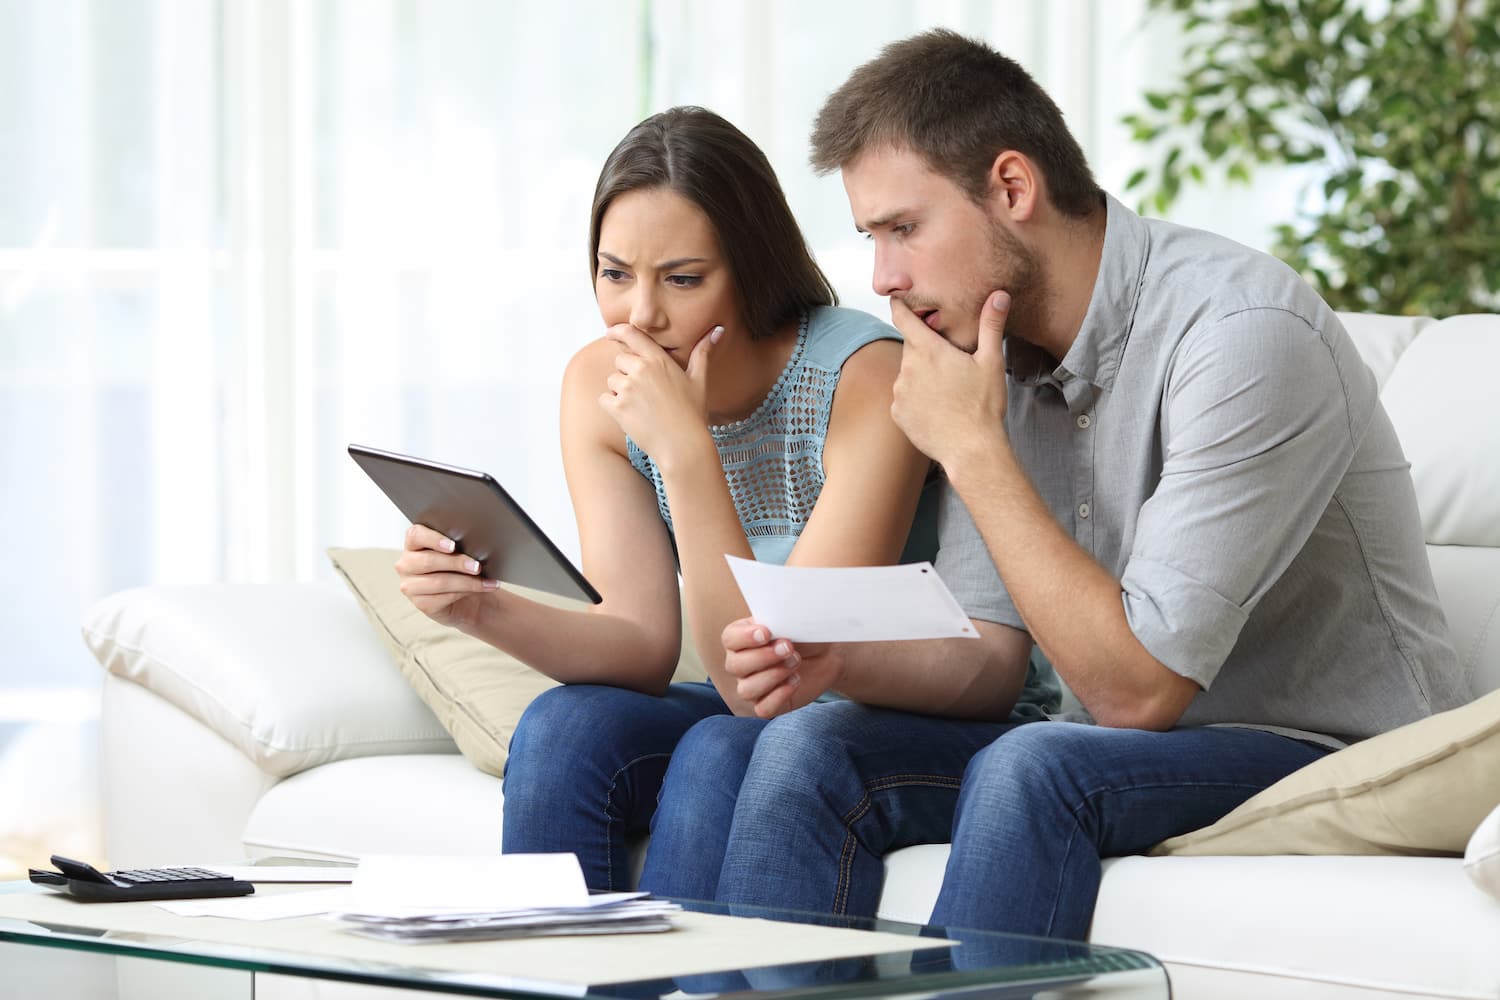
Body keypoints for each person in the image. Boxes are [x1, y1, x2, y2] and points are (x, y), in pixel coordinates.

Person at [642, 30, 1469, 938]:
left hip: (1325, 752)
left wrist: (973, 449)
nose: (883, 279)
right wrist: (839, 662)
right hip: (1118, 745)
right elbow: (991, 657)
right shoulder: (991, 352)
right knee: (810, 744)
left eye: (904, 229)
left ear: (1012, 187)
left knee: (1035, 767)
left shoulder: (1244, 335)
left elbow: (1137, 695)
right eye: (872, 238)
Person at [395, 105, 944, 892]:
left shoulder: (866, 378)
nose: (640, 317)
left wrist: (686, 452)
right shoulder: (600, 384)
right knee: (561, 728)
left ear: (752, 270)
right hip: (753, 698)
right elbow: (641, 642)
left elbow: (769, 682)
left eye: (682, 280)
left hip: (865, 704)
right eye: (615, 274)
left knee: (721, 749)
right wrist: (478, 607)